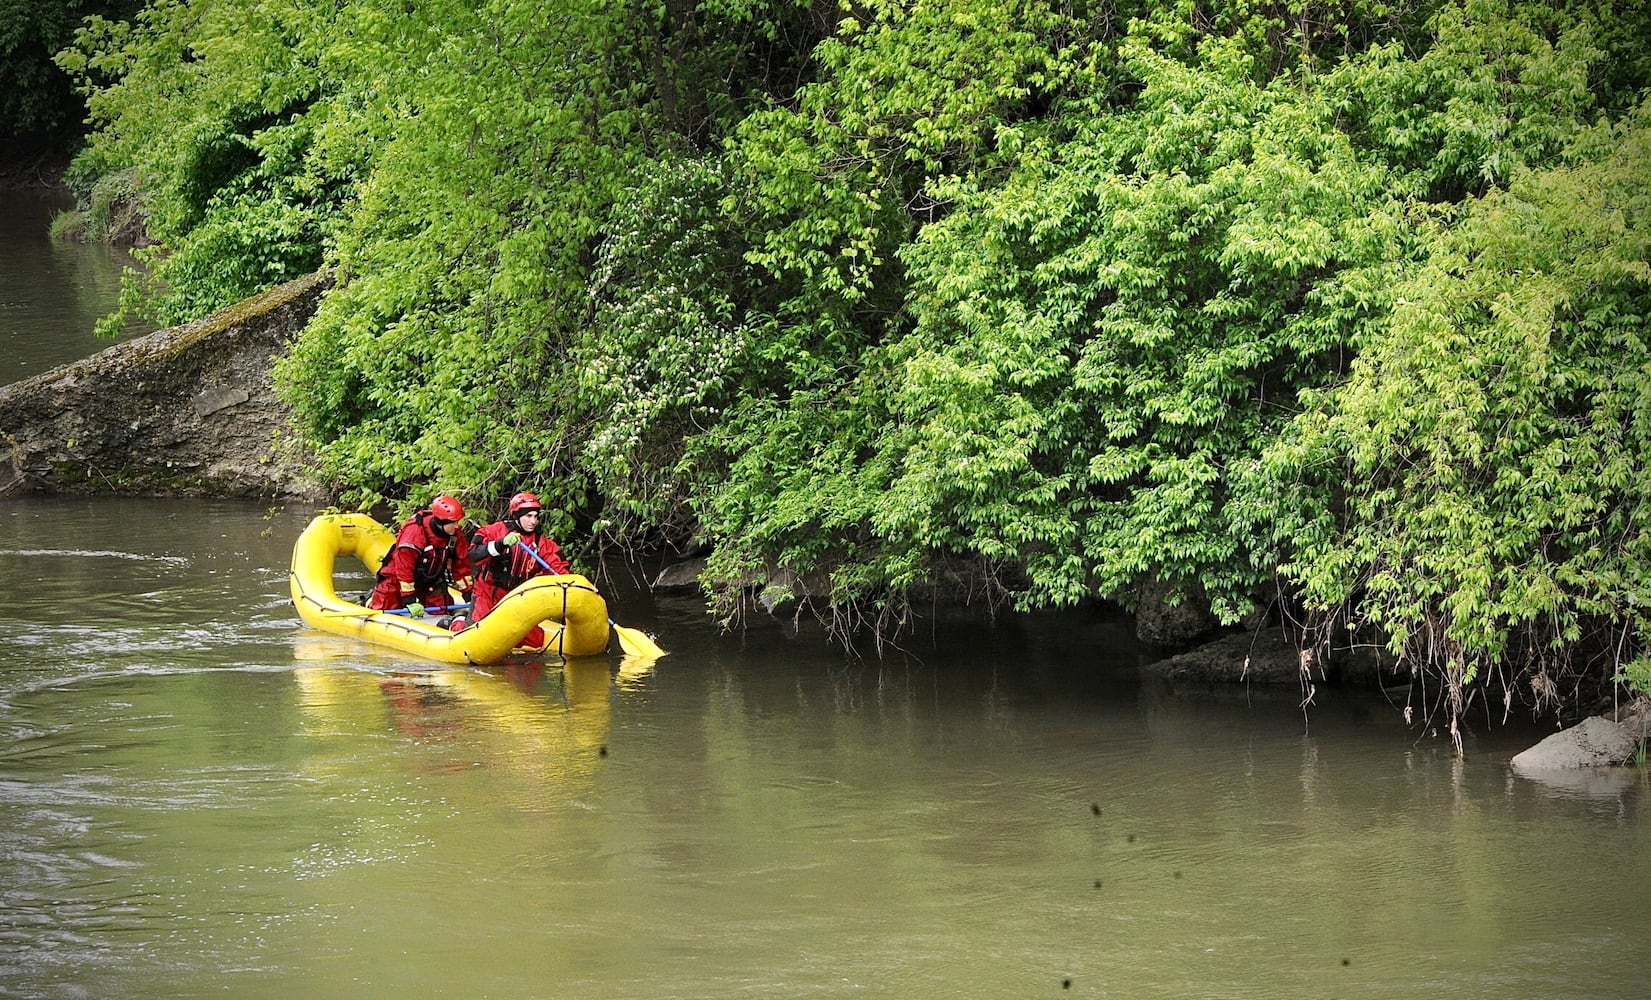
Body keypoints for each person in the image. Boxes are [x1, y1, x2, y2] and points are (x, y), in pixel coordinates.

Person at [468, 491, 570, 630]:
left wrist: (568, 585)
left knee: (535, 641)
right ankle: (457, 622)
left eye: (535, 516)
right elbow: (473, 555)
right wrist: (501, 544)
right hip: (487, 596)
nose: (533, 521)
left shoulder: (543, 545)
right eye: (528, 516)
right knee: (476, 633)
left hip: (516, 599)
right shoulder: (494, 531)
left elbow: (560, 569)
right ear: (517, 516)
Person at [367, 494, 475, 617]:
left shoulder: (455, 536)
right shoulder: (415, 534)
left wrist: (469, 595)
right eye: (453, 523)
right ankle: (370, 600)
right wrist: (409, 599)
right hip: (397, 579)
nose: (457, 526)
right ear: (441, 522)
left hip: (431, 579)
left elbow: (461, 568)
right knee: (386, 606)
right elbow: (404, 569)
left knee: (441, 609)